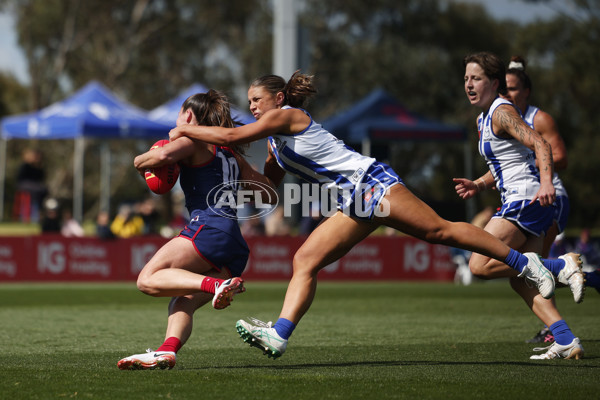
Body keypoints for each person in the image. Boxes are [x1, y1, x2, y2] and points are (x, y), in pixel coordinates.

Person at [169, 71, 581, 360]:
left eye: (256, 100)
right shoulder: (277, 144)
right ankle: (279, 335)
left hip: (371, 184)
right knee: (305, 260)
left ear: (278, 99)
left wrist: (188, 132)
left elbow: (231, 134)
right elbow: (264, 187)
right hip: (355, 202)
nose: (253, 107)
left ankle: (531, 264)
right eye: (250, 103)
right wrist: (217, 167)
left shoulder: (287, 116)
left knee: (440, 231)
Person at [117, 90, 276, 370]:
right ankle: (167, 351)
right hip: (235, 246)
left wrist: (142, 161)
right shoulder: (231, 154)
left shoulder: (191, 140)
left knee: (147, 279)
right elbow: (269, 195)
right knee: (183, 302)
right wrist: (273, 161)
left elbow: (160, 155)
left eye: (179, 114)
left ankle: (216, 285)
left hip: (208, 228)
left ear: (188, 116)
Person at [454, 52, 584, 360]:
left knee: (478, 265)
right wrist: (479, 184)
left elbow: (540, 144)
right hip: (525, 199)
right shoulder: (483, 117)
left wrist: (547, 183)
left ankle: (561, 266)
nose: (469, 85)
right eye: (466, 80)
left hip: (525, 198)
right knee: (522, 278)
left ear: (494, 83)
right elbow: (504, 161)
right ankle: (566, 338)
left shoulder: (501, 111)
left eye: (476, 79)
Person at [502, 56, 574, 345]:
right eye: (505, 90)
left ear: (526, 91)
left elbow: (562, 158)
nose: (509, 95)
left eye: (515, 89)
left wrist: (533, 161)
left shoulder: (537, 118)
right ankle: (588, 278)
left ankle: (554, 329)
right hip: (526, 199)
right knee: (530, 270)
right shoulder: (501, 120)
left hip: (550, 197)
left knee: (531, 269)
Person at [16, 148, 48, 223]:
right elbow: (21, 178)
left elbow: (41, 178)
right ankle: (29, 217)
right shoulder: (25, 166)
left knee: (43, 191)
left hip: (35, 188)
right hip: (26, 186)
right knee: (35, 194)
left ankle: (38, 214)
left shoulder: (39, 167)